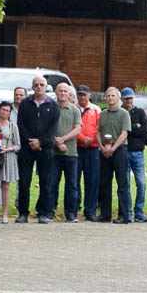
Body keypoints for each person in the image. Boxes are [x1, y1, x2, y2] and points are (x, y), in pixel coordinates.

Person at [15, 75, 58, 223]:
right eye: (36, 85)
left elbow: (53, 128)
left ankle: (43, 213)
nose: (39, 87)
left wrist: (41, 141)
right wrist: (31, 141)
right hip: (26, 148)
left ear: (46, 87)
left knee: (46, 182)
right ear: (32, 87)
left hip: (45, 149)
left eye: (41, 84)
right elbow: (20, 124)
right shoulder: (25, 104)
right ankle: (23, 213)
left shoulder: (53, 105)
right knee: (24, 182)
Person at [97, 86, 132, 223]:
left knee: (122, 183)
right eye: (108, 96)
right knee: (104, 183)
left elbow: (124, 133)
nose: (110, 98)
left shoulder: (124, 114)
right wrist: (101, 147)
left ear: (118, 98)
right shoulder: (102, 114)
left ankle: (123, 215)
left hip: (119, 149)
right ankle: (105, 214)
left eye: (113, 95)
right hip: (104, 151)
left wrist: (113, 148)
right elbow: (98, 132)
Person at [52, 82, 83, 221]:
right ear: (56, 92)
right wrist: (56, 142)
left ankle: (71, 213)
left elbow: (78, 129)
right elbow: (46, 128)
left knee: (72, 185)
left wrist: (63, 139)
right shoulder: (51, 108)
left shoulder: (75, 110)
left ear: (69, 93)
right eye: (60, 91)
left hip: (71, 153)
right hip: (53, 153)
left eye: (65, 91)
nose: (63, 93)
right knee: (52, 183)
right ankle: (49, 211)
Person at [121, 87, 147, 221]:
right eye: (126, 98)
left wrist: (130, 128)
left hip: (138, 152)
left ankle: (138, 211)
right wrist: (134, 126)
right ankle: (127, 212)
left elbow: (144, 130)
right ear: (122, 99)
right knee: (125, 184)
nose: (129, 100)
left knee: (141, 183)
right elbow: (122, 130)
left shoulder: (140, 112)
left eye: (130, 98)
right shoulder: (120, 112)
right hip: (124, 152)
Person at [75, 85, 101, 220]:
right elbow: (72, 127)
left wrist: (92, 139)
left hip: (93, 149)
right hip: (76, 148)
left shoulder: (96, 109)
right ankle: (74, 208)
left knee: (92, 181)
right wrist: (82, 138)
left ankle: (90, 211)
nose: (82, 97)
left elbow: (99, 127)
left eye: (84, 95)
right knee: (74, 180)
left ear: (89, 96)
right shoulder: (73, 108)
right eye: (80, 95)